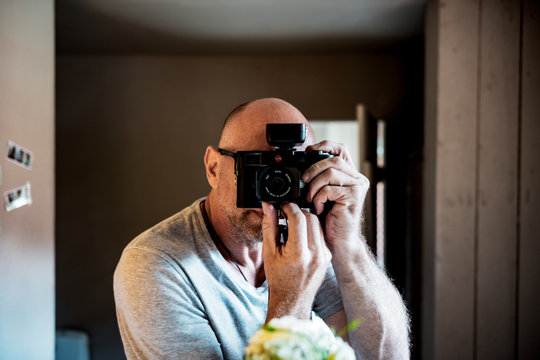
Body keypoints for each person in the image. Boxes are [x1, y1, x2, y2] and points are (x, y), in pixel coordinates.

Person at [114, 98, 410, 359]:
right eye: (256, 166)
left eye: (290, 170)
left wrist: (348, 242)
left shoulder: (309, 243)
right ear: (214, 168)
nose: (273, 187)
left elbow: (387, 356)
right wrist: (290, 301)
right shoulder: (156, 263)